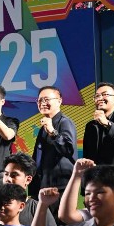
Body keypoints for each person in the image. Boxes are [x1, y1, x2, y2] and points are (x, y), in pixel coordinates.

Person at [29, 86, 76, 215]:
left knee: (58, 224)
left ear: (59, 101)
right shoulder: (44, 126)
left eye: (46, 99)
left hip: (58, 187)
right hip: (43, 186)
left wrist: (53, 132)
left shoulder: (64, 122)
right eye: (39, 100)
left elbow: (68, 149)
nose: (42, 103)